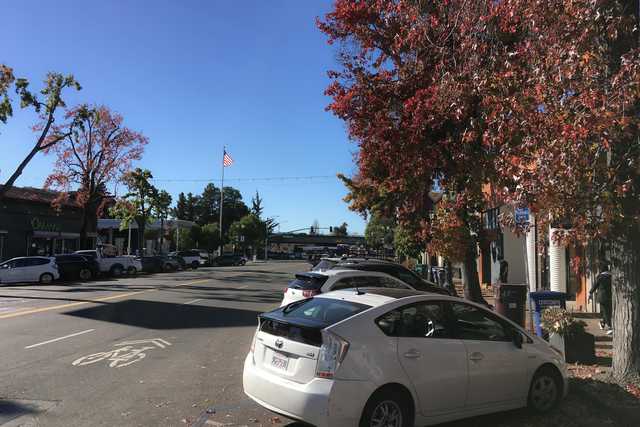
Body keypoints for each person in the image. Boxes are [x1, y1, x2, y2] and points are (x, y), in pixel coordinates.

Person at [589, 261, 613, 335]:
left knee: (605, 311)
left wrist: (590, 293)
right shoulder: (611, 276)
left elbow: (595, 286)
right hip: (609, 297)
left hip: (602, 297)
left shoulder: (600, 277)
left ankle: (606, 325)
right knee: (607, 311)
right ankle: (605, 324)